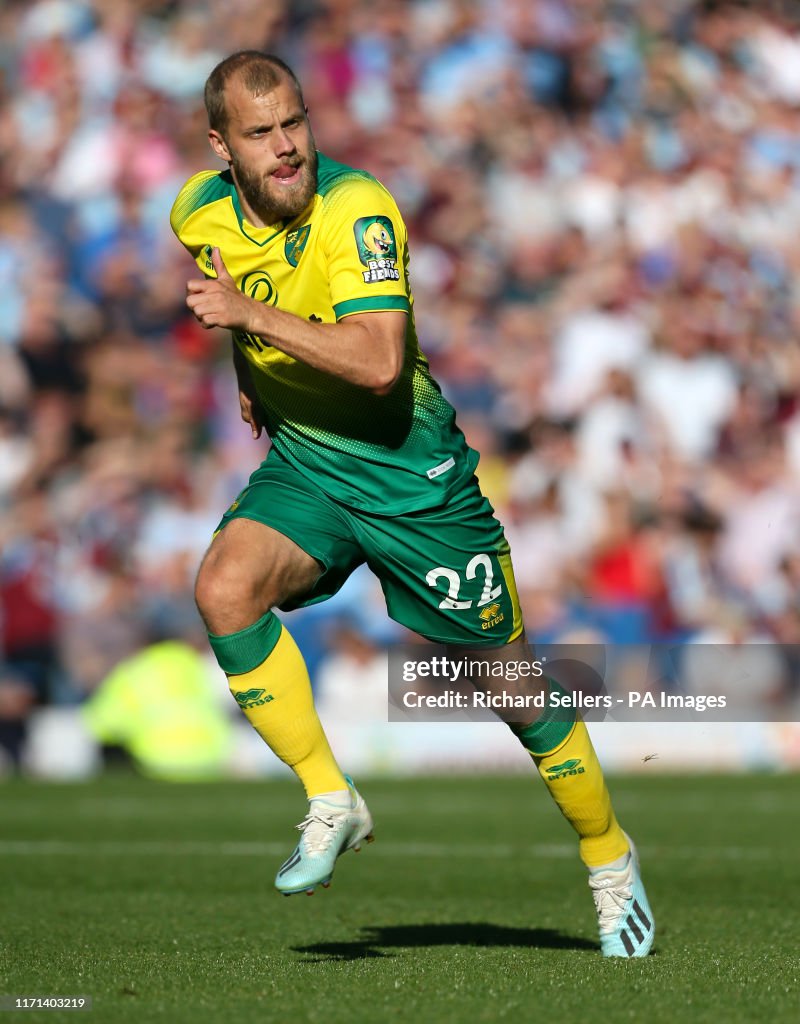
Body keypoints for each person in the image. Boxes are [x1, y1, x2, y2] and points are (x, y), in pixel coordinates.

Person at [170, 51, 654, 957]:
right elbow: (233, 282)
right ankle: (330, 796)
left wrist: (254, 325)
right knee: (223, 589)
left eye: (296, 125)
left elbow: (381, 364)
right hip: (311, 465)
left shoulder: (358, 210)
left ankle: (608, 854)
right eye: (260, 133)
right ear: (220, 147)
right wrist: (252, 378)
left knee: (511, 687)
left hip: (411, 477)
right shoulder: (195, 212)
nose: (286, 148)